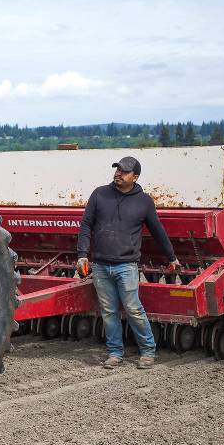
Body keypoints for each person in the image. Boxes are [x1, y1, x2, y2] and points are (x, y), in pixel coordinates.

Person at [76, 156, 181, 369]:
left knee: (133, 309)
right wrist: (82, 254)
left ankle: (148, 351)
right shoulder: (99, 194)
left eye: (123, 171)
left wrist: (172, 258)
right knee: (108, 311)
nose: (118, 174)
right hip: (100, 265)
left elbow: (158, 231)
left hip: (127, 266)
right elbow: (86, 225)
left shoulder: (144, 201)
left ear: (135, 176)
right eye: (117, 170)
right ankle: (115, 353)